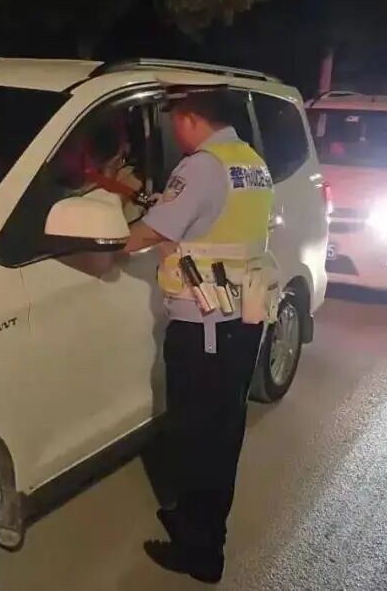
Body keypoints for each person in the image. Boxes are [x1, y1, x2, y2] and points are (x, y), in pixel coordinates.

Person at [121, 88, 277, 584]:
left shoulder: (203, 167)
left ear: (191, 118)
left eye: (175, 120)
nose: (174, 131)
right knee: (221, 432)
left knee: (198, 436)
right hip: (240, 320)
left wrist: (109, 241)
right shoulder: (249, 162)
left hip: (205, 327)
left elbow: (153, 232)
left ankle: (201, 551)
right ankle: (196, 521)